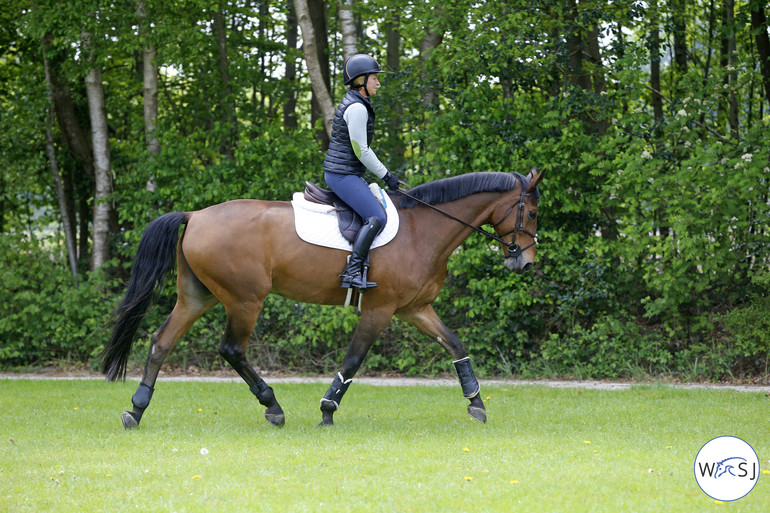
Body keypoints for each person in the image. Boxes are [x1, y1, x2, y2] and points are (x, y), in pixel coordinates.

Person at [323, 54, 401, 290]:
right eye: (374, 78)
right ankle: (352, 271)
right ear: (360, 81)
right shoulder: (357, 107)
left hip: (346, 172)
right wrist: (386, 175)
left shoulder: (357, 102)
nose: (378, 83)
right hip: (341, 175)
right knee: (377, 217)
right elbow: (361, 151)